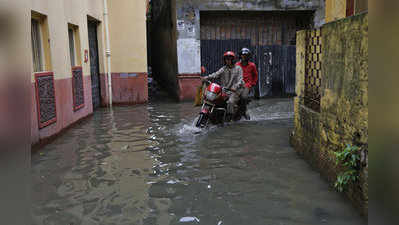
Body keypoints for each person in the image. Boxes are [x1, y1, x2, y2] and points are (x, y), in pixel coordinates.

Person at [200, 51, 244, 115]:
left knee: (230, 102)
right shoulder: (223, 69)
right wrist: (206, 78)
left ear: (233, 60)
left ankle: (229, 117)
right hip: (224, 91)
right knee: (212, 99)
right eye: (226, 59)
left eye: (229, 59)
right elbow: (215, 74)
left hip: (234, 91)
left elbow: (240, 80)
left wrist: (235, 86)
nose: (228, 60)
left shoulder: (238, 68)